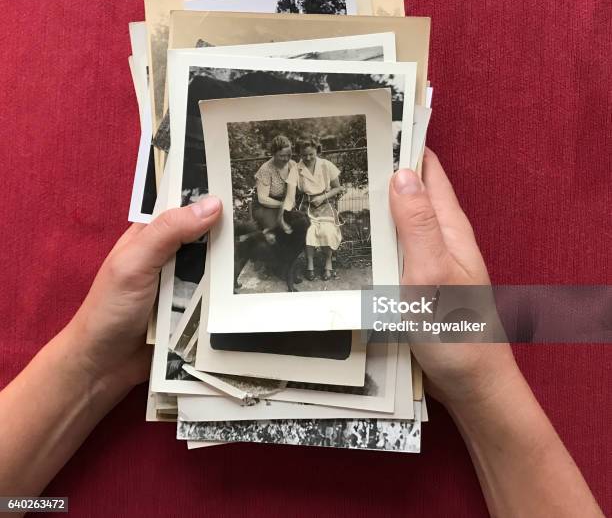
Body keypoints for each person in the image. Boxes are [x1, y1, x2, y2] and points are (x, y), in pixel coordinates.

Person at [0, 149, 604, 517]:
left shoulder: (320, 171)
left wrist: (90, 365)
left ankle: (308, 272)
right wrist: (92, 362)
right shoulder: (272, 169)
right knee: (281, 244)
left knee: (312, 249)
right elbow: (271, 193)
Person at [284, 136, 344, 281]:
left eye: (311, 154)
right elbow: (290, 196)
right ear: (299, 154)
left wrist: (323, 197)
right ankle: (309, 265)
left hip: (326, 204)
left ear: (317, 150)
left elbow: (338, 188)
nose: (308, 157)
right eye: (304, 155)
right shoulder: (296, 170)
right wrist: (285, 214)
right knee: (308, 231)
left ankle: (328, 264)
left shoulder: (326, 165)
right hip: (307, 206)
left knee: (327, 231)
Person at [252, 135, 296, 231]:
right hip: (265, 206)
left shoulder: (292, 165)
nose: (286, 159)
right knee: (276, 229)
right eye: (282, 156)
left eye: (289, 155)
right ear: (273, 154)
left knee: (298, 223)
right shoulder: (266, 169)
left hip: (284, 203)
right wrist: (283, 205)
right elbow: (262, 199)